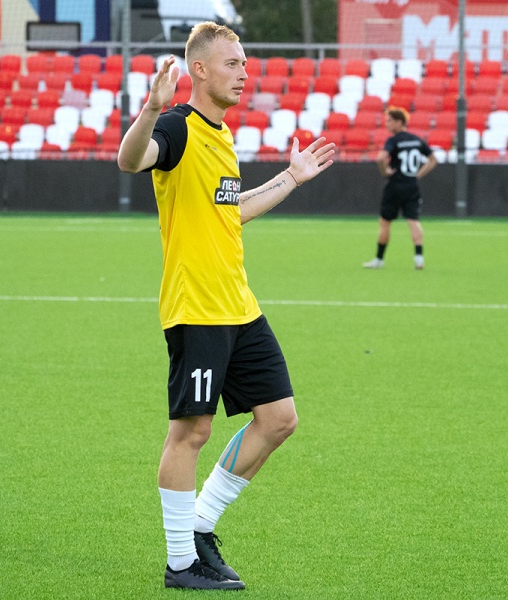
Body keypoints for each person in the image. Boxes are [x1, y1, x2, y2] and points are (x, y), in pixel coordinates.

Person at [117, 22, 335, 591]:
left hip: (239, 307)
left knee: (279, 418)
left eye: (244, 63)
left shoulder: (222, 134)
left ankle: (199, 528)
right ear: (200, 70)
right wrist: (150, 109)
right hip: (197, 309)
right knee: (191, 432)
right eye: (233, 63)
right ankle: (180, 562)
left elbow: (229, 211)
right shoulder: (177, 126)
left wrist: (291, 178)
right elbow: (130, 160)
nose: (244, 73)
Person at [363, 107, 437, 270]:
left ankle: (379, 259)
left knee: (385, 222)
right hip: (412, 186)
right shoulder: (417, 140)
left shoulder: (394, 140)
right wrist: (418, 175)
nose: (387, 124)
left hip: (395, 186)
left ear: (399, 121)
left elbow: (381, 158)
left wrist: (385, 172)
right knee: (413, 221)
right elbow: (433, 160)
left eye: (389, 121)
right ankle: (419, 259)